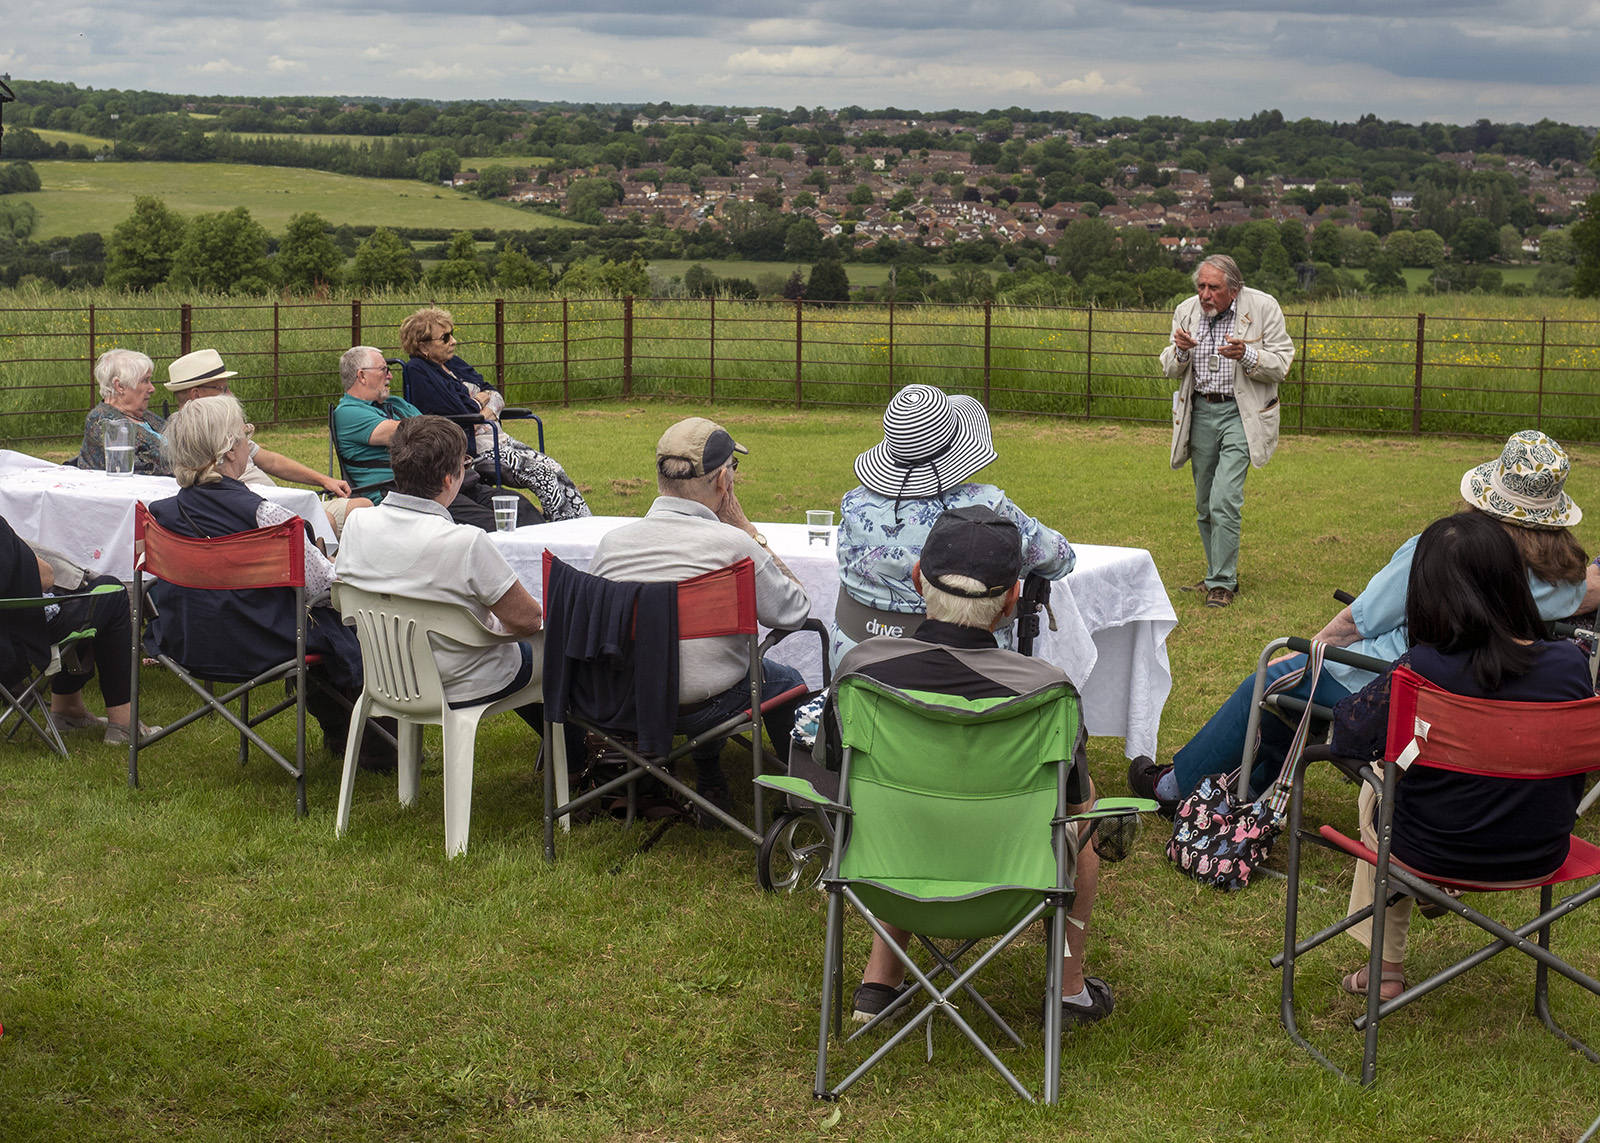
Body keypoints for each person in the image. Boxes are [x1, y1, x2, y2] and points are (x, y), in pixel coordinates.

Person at [1135, 429, 1591, 812]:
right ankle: (1246, 785)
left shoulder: (1440, 549)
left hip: (1394, 681)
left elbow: (1360, 621)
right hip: (1474, 693)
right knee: (1292, 693)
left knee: (1273, 680)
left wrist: (1310, 651)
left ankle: (1177, 787)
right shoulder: (1564, 577)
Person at [818, 506, 1113, 1028]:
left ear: (916, 580)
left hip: (887, 870)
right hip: (1011, 886)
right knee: (1083, 820)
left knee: (885, 801)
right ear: (1011, 602)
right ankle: (1069, 990)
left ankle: (878, 982)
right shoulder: (1046, 691)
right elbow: (1073, 807)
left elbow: (832, 775)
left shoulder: (860, 672)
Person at [1328, 512, 1594, 1000]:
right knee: (1407, 791)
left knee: (1383, 784)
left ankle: (1385, 966)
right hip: (1541, 852)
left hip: (1430, 851)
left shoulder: (1422, 669)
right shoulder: (1571, 665)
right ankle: (1423, 904)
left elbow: (1345, 735)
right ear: (1514, 583)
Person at [586, 416, 810, 823]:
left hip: (626, 702)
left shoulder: (611, 544)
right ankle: (804, 795)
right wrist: (745, 526)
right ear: (723, 480)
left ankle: (709, 775)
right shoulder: (734, 544)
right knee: (784, 681)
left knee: (704, 663)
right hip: (705, 706)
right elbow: (795, 610)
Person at [144, 394, 387, 767]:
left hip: (187, 639)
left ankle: (346, 733)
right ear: (228, 452)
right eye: (245, 435)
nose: (248, 444)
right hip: (262, 643)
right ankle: (374, 747)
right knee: (361, 620)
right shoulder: (267, 516)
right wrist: (344, 566)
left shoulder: (160, 516)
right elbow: (324, 587)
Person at [334, 416, 582, 758]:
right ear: (450, 479)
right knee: (557, 646)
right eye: (466, 464)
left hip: (386, 674)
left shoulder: (358, 523)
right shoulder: (464, 541)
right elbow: (527, 620)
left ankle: (573, 750)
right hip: (460, 678)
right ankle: (582, 752)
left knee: (526, 650)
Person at [832, 383, 1073, 668]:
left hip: (859, 664)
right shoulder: (988, 508)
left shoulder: (855, 506)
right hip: (971, 667)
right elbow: (1059, 559)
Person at [1160, 254, 1295, 609]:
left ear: (1234, 290)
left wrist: (1247, 355)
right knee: (1204, 502)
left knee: (1224, 498)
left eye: (1213, 288)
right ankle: (1213, 574)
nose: (1205, 294)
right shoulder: (1186, 311)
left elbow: (1282, 364)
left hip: (1242, 413)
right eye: (1201, 286)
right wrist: (1181, 352)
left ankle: (1223, 582)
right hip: (1200, 411)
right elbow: (1169, 367)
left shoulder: (1264, 307)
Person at [399, 307, 590, 521]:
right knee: (542, 473)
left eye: (452, 334)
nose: (453, 341)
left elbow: (493, 391)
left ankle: (581, 524)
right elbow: (460, 410)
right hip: (475, 447)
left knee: (554, 467)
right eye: (445, 338)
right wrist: (480, 400)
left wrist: (486, 407)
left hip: (495, 437)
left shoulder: (452, 363)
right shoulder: (418, 370)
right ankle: (562, 529)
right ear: (423, 346)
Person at [331, 345, 541, 532]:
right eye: (384, 369)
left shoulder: (396, 404)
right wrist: (476, 404)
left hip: (441, 483)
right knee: (495, 525)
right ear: (362, 376)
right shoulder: (348, 413)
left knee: (519, 508)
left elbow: (440, 429)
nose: (390, 376)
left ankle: (551, 567)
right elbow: (422, 435)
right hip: (404, 493)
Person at [164, 348, 368, 536]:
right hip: (259, 515)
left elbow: (271, 461)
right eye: (223, 388)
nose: (230, 395)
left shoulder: (220, 427)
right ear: (196, 394)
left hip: (276, 506)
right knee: (329, 521)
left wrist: (325, 480)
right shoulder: (193, 441)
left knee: (361, 507)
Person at [1, 514, 154, 746]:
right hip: (19, 637)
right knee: (110, 592)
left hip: (11, 633)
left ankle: (68, 711)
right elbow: (45, 576)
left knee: (77, 599)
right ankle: (123, 723)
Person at [76, 348, 168, 474]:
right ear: (119, 386)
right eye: (145, 381)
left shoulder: (144, 415)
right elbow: (140, 469)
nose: (152, 388)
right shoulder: (104, 421)